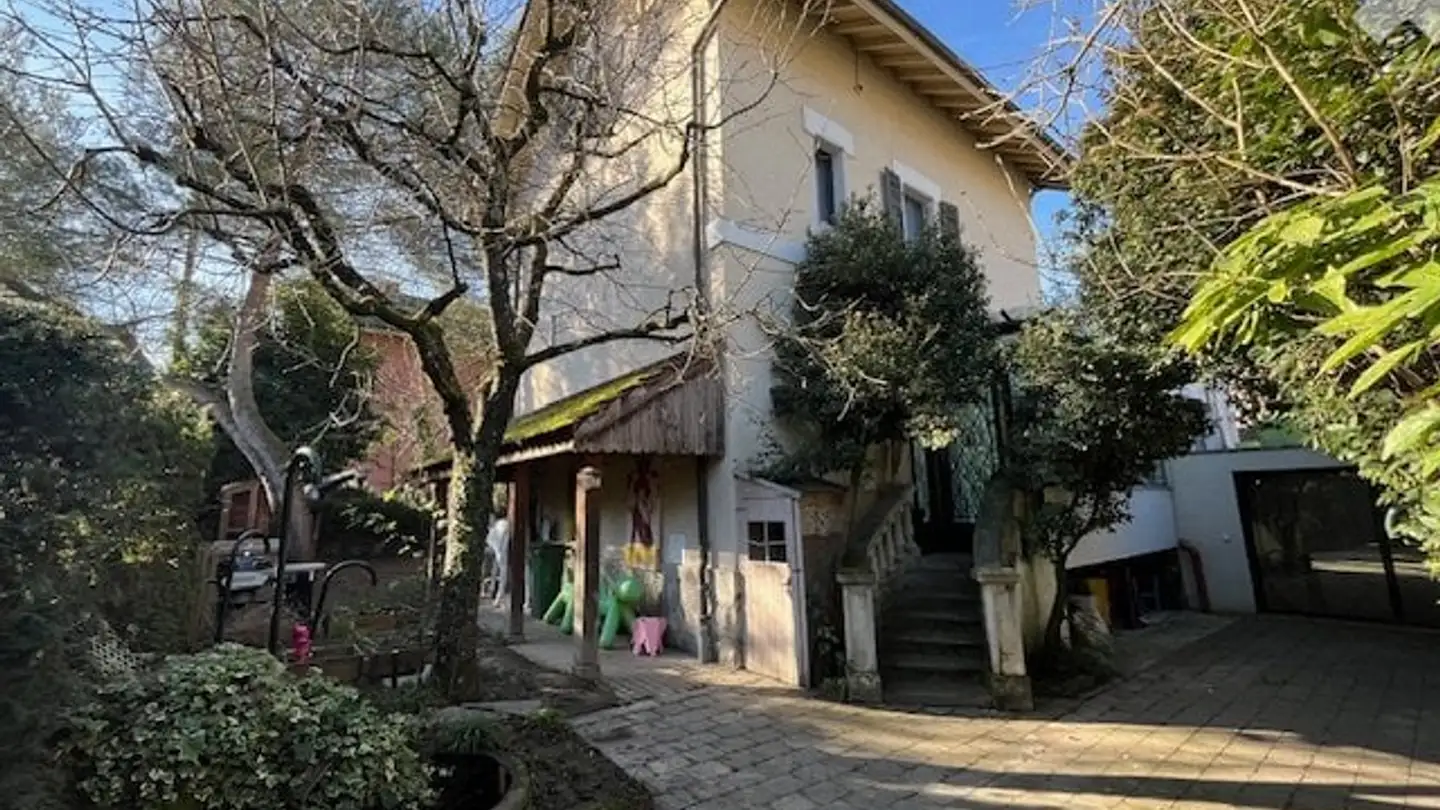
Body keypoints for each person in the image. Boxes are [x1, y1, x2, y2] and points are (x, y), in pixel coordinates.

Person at [485, 493, 512, 608]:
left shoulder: (499, 527)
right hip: (499, 535)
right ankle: (494, 591)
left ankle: (499, 596)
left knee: (501, 564)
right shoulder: (501, 524)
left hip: (499, 537)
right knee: (499, 564)